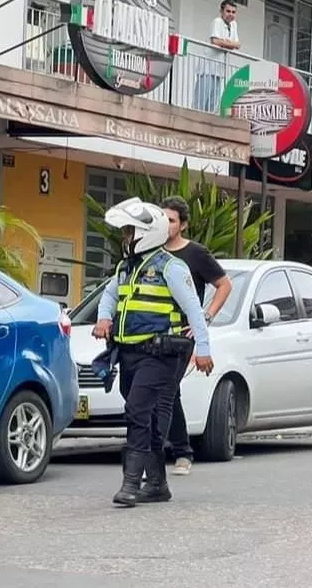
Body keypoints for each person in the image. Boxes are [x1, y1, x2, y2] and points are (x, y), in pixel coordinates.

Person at [93, 197, 214, 508]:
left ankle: (131, 484)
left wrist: (203, 349)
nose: (125, 238)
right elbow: (109, 296)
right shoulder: (126, 267)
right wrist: (103, 319)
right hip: (129, 352)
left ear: (146, 233)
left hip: (160, 354)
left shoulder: (171, 267)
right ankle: (157, 484)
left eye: (129, 232)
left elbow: (194, 310)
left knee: (137, 410)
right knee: (147, 416)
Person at [159, 195, 233, 476]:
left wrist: (206, 316)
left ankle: (172, 452)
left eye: (171, 220)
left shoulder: (196, 254)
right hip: (154, 332)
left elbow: (224, 285)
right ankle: (180, 449)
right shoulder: (151, 252)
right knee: (168, 391)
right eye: (162, 219)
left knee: (167, 388)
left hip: (183, 334)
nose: (166, 224)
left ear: (183, 225)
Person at [195, 0, 240, 113]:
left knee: (213, 104)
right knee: (200, 103)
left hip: (219, 70)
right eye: (228, 11)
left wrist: (226, 43)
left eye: (233, 12)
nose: (231, 14)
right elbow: (215, 41)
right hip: (208, 68)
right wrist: (229, 44)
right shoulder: (217, 22)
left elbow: (237, 44)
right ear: (221, 11)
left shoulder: (234, 25)